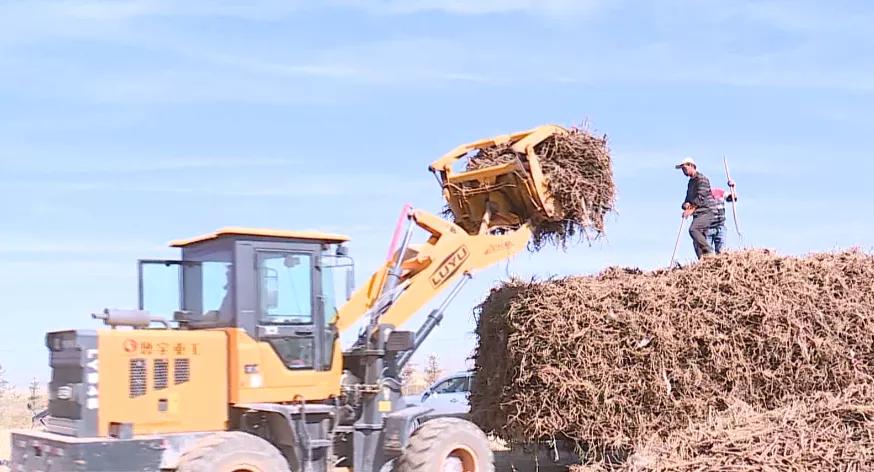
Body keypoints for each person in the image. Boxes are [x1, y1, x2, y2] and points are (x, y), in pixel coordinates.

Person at [675, 157, 717, 259]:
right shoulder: (691, 182)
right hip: (698, 213)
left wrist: (691, 210)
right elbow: (688, 198)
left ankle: (709, 251)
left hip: (707, 211)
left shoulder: (702, 179)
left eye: (684, 168)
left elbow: (700, 197)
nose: (683, 171)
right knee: (697, 241)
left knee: (693, 229)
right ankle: (703, 261)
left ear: (691, 166)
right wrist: (685, 204)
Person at [707, 184, 737, 254]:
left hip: (720, 227)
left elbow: (733, 198)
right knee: (707, 254)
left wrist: (733, 187)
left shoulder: (719, 192)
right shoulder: (700, 196)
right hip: (707, 229)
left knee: (721, 252)